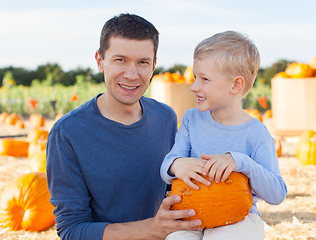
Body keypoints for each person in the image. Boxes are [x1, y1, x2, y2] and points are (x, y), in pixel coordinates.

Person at [46, 13, 202, 240]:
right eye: (120, 60)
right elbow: (72, 230)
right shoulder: (67, 133)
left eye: (142, 62)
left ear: (154, 66)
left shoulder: (165, 117)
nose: (131, 74)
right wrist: (152, 229)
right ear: (100, 61)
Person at [160, 31, 288, 239]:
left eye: (205, 79)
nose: (194, 87)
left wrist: (242, 163)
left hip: (238, 219)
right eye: (194, 77)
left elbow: (277, 194)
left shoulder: (256, 133)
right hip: (193, 218)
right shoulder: (191, 119)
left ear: (235, 85)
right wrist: (177, 164)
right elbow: (167, 168)